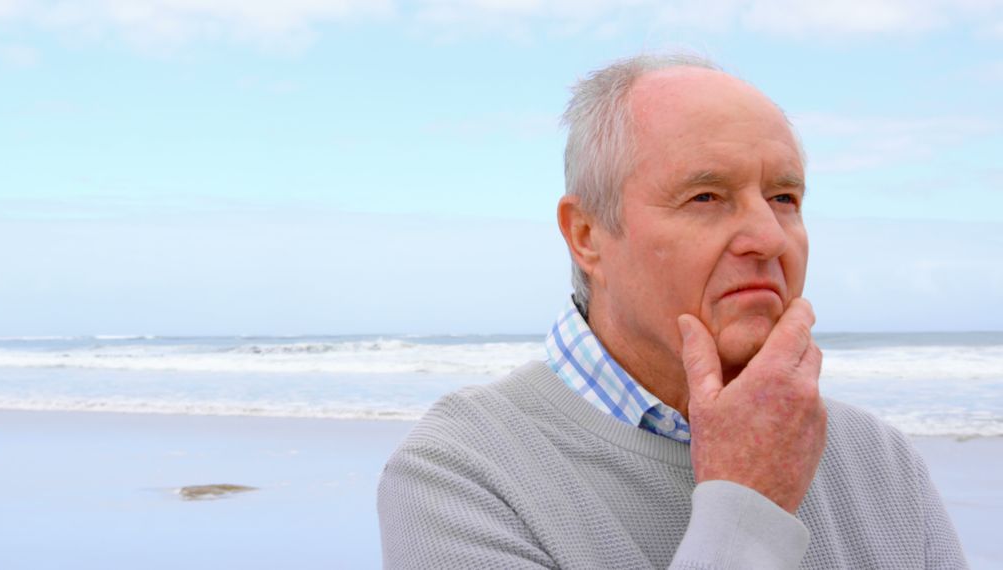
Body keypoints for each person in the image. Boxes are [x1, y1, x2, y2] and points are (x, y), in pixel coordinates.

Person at [377, 53, 967, 569]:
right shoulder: (461, 472)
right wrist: (748, 503)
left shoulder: (880, 459)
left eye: (784, 197)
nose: (768, 237)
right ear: (586, 234)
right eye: (706, 197)